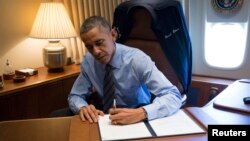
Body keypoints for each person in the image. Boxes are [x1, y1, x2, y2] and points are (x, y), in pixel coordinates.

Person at [68, 16, 182, 125]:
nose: (96, 51)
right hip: (107, 116)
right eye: (89, 47)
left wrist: (142, 113)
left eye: (99, 43)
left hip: (137, 112)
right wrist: (82, 107)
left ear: (113, 35)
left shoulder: (137, 59)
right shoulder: (89, 61)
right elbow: (75, 96)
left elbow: (173, 96)